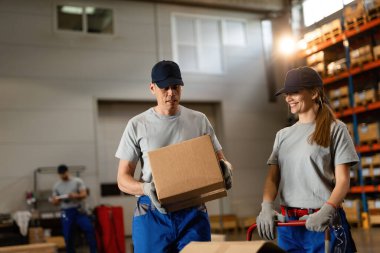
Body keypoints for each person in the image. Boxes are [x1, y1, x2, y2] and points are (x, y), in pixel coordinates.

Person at [115, 60, 233, 253]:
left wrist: (225, 167)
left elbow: (221, 159)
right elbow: (122, 180)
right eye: (165, 88)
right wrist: (145, 188)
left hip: (192, 213)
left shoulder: (199, 120)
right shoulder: (137, 125)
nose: (171, 93)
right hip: (152, 213)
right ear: (152, 88)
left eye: (176, 87)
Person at [256, 66, 359, 252]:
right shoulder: (283, 135)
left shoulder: (336, 129)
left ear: (314, 92)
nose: (288, 98)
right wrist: (266, 206)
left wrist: (327, 211)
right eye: (286, 94)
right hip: (289, 227)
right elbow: (273, 178)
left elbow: (343, 181)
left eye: (294, 92)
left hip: (322, 223)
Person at [51, 164, 97, 253]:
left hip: (78, 211)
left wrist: (74, 195)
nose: (62, 175)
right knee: (67, 235)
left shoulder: (77, 181)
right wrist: (57, 200)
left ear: (67, 172)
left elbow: (84, 194)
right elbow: (54, 201)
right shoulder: (57, 186)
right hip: (66, 212)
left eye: (64, 173)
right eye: (60, 174)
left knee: (89, 229)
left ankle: (93, 251)